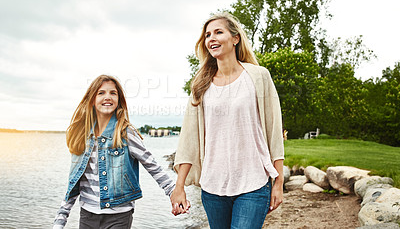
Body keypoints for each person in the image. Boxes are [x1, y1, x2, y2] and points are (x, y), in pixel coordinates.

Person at [171, 12, 284, 229]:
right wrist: (179, 187)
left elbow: (273, 130)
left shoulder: (259, 76)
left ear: (235, 38)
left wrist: (278, 182)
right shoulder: (200, 85)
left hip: (254, 183)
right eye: (207, 35)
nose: (211, 38)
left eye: (218, 32)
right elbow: (189, 139)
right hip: (213, 187)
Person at [53, 75, 181, 229]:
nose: (107, 97)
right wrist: (60, 220)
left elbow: (152, 165)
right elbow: (74, 181)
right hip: (87, 215)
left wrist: (173, 192)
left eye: (113, 93)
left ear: (119, 100)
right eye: (101, 93)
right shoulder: (82, 136)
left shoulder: (126, 134)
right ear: (92, 99)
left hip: (119, 215)